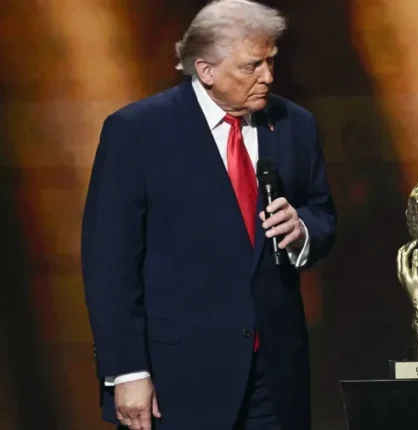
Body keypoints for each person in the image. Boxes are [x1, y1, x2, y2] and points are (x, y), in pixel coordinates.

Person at [81, 1, 336, 429]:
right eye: (251, 66)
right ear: (206, 70)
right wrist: (126, 370)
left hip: (274, 378)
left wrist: (303, 229)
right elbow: (110, 262)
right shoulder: (137, 132)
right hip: (177, 379)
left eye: (271, 61)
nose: (268, 77)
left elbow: (323, 213)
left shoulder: (295, 124)